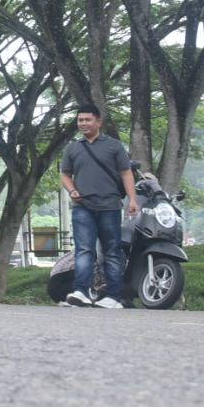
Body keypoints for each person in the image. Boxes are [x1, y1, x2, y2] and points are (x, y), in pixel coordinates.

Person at [59, 104, 140, 309]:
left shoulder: (114, 146)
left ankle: (113, 296)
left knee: (111, 251)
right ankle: (81, 292)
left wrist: (132, 199)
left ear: (98, 121)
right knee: (84, 250)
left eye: (87, 120)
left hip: (110, 206)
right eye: (80, 120)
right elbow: (65, 174)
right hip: (82, 206)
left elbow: (126, 173)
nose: (83, 123)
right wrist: (72, 190)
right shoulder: (73, 148)